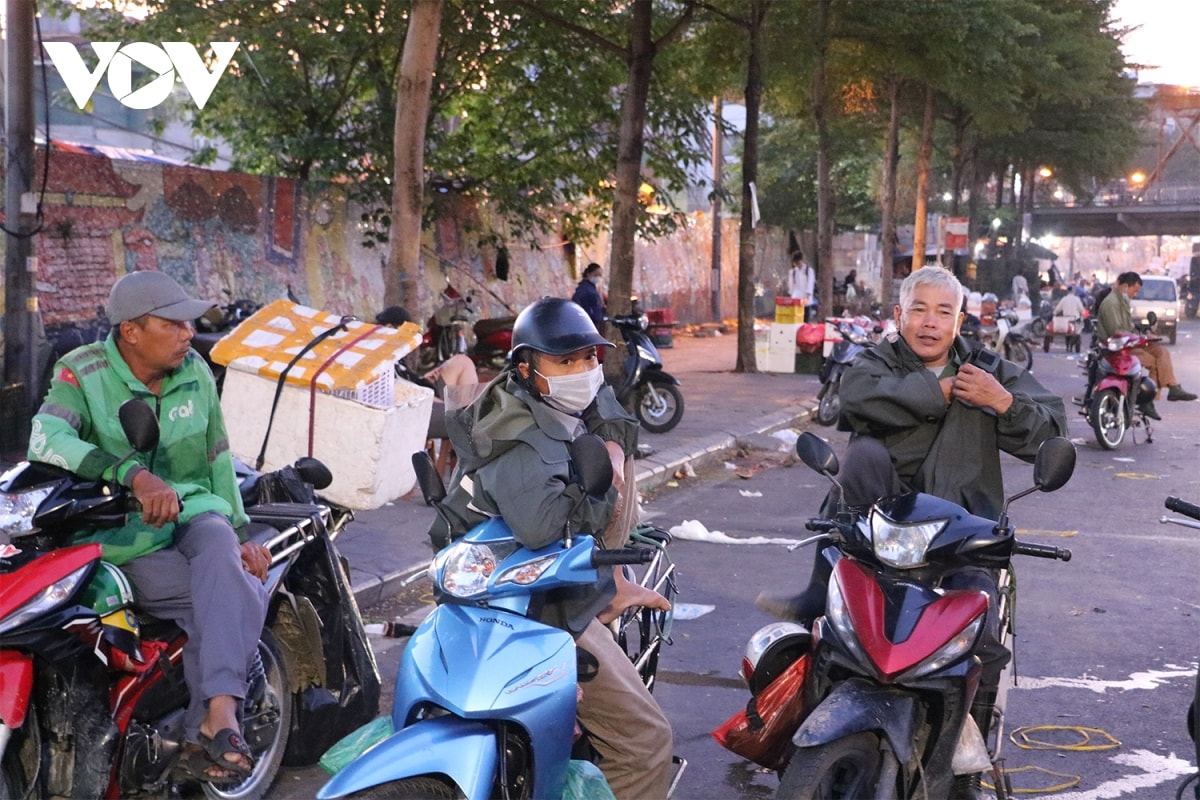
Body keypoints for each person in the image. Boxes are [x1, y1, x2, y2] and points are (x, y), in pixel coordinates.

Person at [757, 267, 1067, 789]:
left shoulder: (989, 369)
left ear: (959, 320)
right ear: (899, 316)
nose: (930, 322)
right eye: (919, 310)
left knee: (982, 642)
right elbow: (853, 400)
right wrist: (938, 391)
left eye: (943, 312)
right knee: (827, 634)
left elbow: (1053, 430)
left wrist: (1002, 403)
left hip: (961, 537)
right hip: (876, 536)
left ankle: (969, 754)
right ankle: (802, 728)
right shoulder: (876, 362)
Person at [28, 271, 269, 784]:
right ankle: (199, 726)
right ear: (131, 332)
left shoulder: (196, 371)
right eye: (175, 323)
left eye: (189, 323)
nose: (189, 333)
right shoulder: (82, 371)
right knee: (237, 593)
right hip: (122, 536)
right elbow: (46, 440)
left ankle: (221, 711)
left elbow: (216, 456)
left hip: (194, 513)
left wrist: (243, 531)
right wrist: (129, 474)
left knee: (220, 547)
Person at [429, 297, 673, 799]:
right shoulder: (518, 439)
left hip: (535, 587)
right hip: (536, 609)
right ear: (526, 366)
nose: (583, 371)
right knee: (647, 741)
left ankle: (615, 587)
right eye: (565, 361)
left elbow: (610, 411)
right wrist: (605, 484)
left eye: (589, 358)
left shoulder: (545, 399)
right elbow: (547, 530)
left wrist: (611, 447)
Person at [1093, 271, 1195, 419]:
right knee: (1154, 363)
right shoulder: (1111, 303)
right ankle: (1148, 401)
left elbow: (1128, 327)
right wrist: (1139, 338)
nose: (1135, 294)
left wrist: (1143, 335)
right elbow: (1116, 332)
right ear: (1126, 287)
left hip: (1130, 341)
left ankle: (1173, 387)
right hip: (1118, 347)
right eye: (1135, 291)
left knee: (1161, 352)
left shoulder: (1122, 302)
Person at [572, 262, 606, 329]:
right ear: (589, 274)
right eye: (596, 274)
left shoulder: (592, 288)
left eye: (600, 275)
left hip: (593, 322)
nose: (598, 277)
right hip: (587, 323)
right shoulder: (584, 289)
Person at [787, 252, 816, 322]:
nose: (798, 265)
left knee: (805, 319)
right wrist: (791, 296)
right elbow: (791, 286)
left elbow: (810, 284)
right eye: (796, 263)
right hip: (796, 299)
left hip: (806, 299)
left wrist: (807, 296)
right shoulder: (793, 272)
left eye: (798, 263)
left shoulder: (809, 271)